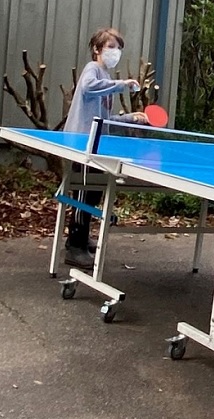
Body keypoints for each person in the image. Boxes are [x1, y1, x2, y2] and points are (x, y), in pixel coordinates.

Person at [63, 27, 148, 268]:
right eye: (110, 47)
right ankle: (74, 247)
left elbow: (104, 118)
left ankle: (81, 235)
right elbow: (89, 87)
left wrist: (130, 117)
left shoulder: (105, 77)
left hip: (97, 144)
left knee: (93, 192)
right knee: (83, 192)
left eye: (118, 48)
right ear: (97, 49)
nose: (115, 52)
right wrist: (121, 84)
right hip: (82, 143)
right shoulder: (93, 70)